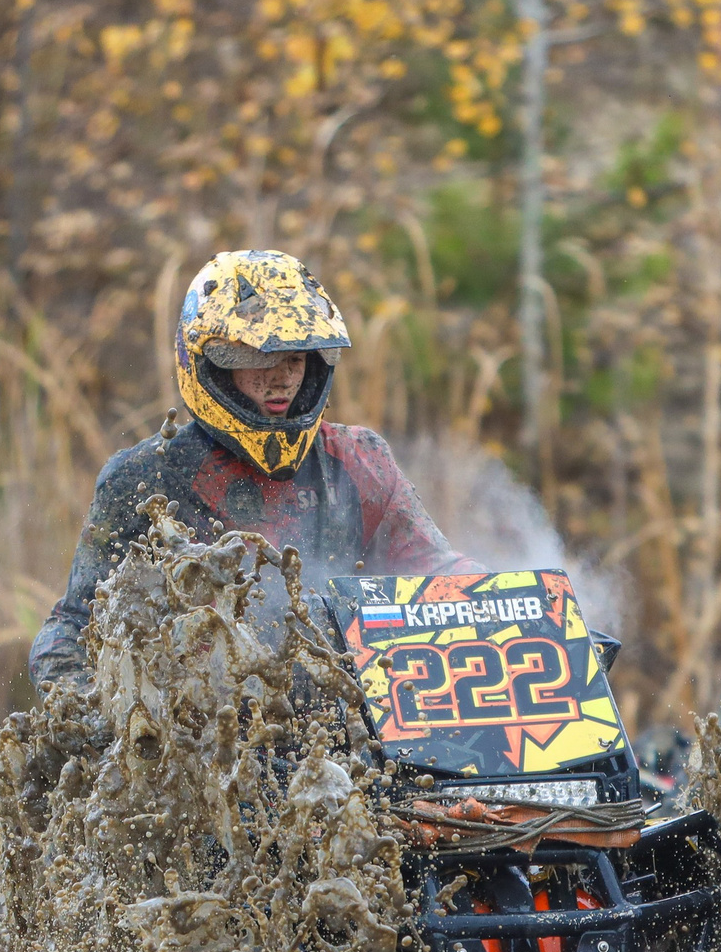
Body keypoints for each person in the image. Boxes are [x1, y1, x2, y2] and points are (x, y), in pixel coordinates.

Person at [30, 249, 473, 687]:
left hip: (345, 721)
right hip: (206, 732)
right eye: (258, 359)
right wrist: (87, 714)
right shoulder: (145, 479)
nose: (280, 378)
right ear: (212, 364)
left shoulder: (359, 460)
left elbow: (439, 575)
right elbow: (75, 627)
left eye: (295, 359)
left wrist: (513, 596)